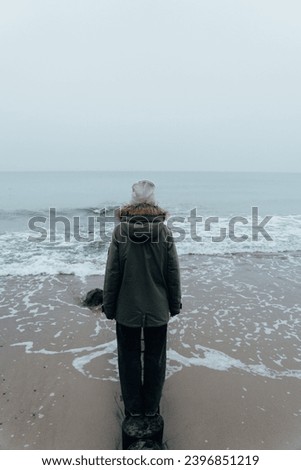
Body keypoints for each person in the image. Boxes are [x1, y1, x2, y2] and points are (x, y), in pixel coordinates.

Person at [102, 180, 182, 418]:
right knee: (156, 359)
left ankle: (134, 408)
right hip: (157, 308)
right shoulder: (164, 231)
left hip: (127, 309)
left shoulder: (120, 231)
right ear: (154, 202)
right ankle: (151, 407)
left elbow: (113, 273)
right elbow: (172, 272)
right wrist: (174, 304)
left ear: (132, 201)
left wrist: (109, 305)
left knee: (128, 360)